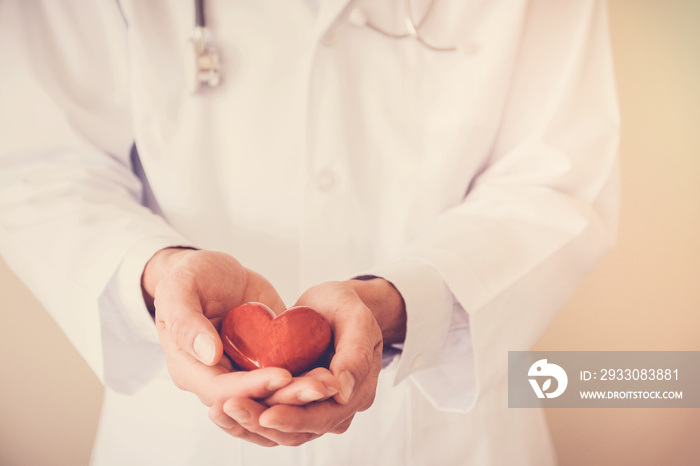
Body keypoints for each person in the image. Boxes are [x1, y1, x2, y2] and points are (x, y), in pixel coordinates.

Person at [0, 0, 620, 465]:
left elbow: (555, 180)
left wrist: (403, 305)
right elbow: (44, 166)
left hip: (445, 434)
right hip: (181, 428)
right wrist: (160, 275)